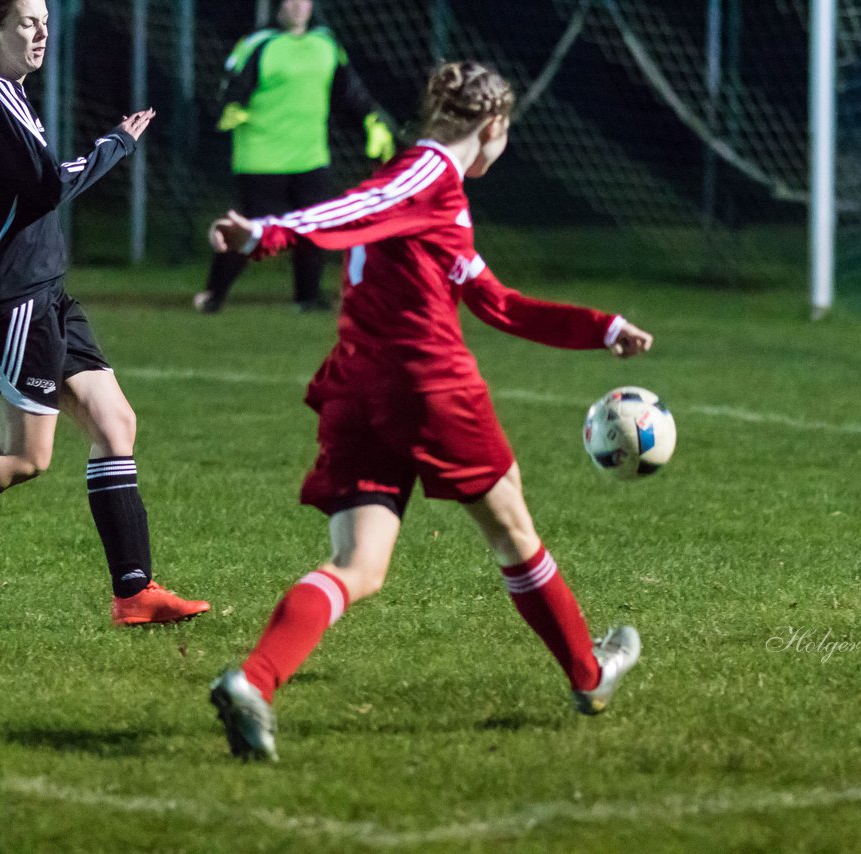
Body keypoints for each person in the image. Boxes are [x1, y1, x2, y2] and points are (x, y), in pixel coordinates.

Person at [205, 61, 653, 761]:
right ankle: (590, 676)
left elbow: (498, 302)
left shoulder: (436, 209)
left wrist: (603, 326)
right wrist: (268, 232)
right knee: (513, 534)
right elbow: (352, 206)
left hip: (358, 390)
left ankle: (253, 681)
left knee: (359, 564)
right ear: (493, 127)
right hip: (427, 387)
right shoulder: (428, 176)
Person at [0, 0, 210, 626]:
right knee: (25, 458)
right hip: (16, 301)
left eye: (43, 22)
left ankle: (134, 593)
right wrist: (115, 145)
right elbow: (45, 186)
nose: (40, 34)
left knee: (116, 423)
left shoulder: (2, 95)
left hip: (46, 291)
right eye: (26, 24)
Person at [192, 0, 396, 314]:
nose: (298, 6)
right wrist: (231, 106)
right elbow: (231, 87)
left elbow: (350, 90)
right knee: (251, 228)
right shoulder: (258, 44)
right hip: (262, 155)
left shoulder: (326, 44)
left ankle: (308, 298)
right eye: (291, 0)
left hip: (311, 154)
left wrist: (372, 120)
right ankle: (212, 295)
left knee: (315, 226)